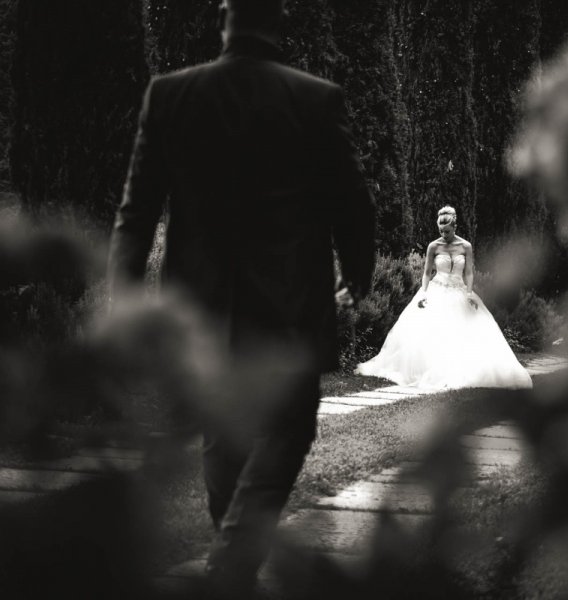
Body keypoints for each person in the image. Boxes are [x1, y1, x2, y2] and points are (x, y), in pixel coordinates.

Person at [107, 0, 375, 595]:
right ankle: (234, 563)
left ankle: (233, 563)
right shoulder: (314, 98)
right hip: (291, 304)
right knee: (289, 428)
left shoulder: (170, 94)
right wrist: (358, 273)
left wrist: (124, 301)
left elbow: (135, 213)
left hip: (199, 309)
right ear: (277, 20)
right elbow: (352, 203)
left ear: (223, 18)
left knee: (222, 437)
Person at [357, 206, 532, 390]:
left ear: (454, 227)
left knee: (464, 334)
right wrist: (423, 293)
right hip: (436, 290)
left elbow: (469, 273)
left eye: (447, 231)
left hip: (459, 291)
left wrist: (470, 292)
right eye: (440, 231)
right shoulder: (434, 246)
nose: (443, 234)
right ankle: (431, 371)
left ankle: (460, 370)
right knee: (433, 333)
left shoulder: (465, 246)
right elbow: (426, 273)